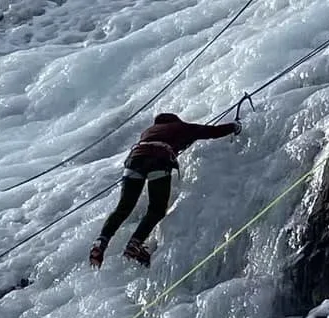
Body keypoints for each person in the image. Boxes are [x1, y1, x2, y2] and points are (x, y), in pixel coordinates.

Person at [89, 112, 241, 267]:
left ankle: (101, 242)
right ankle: (135, 242)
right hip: (158, 160)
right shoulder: (180, 127)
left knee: (124, 207)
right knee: (157, 208)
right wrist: (234, 127)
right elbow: (210, 132)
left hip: (134, 160)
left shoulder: (148, 132)